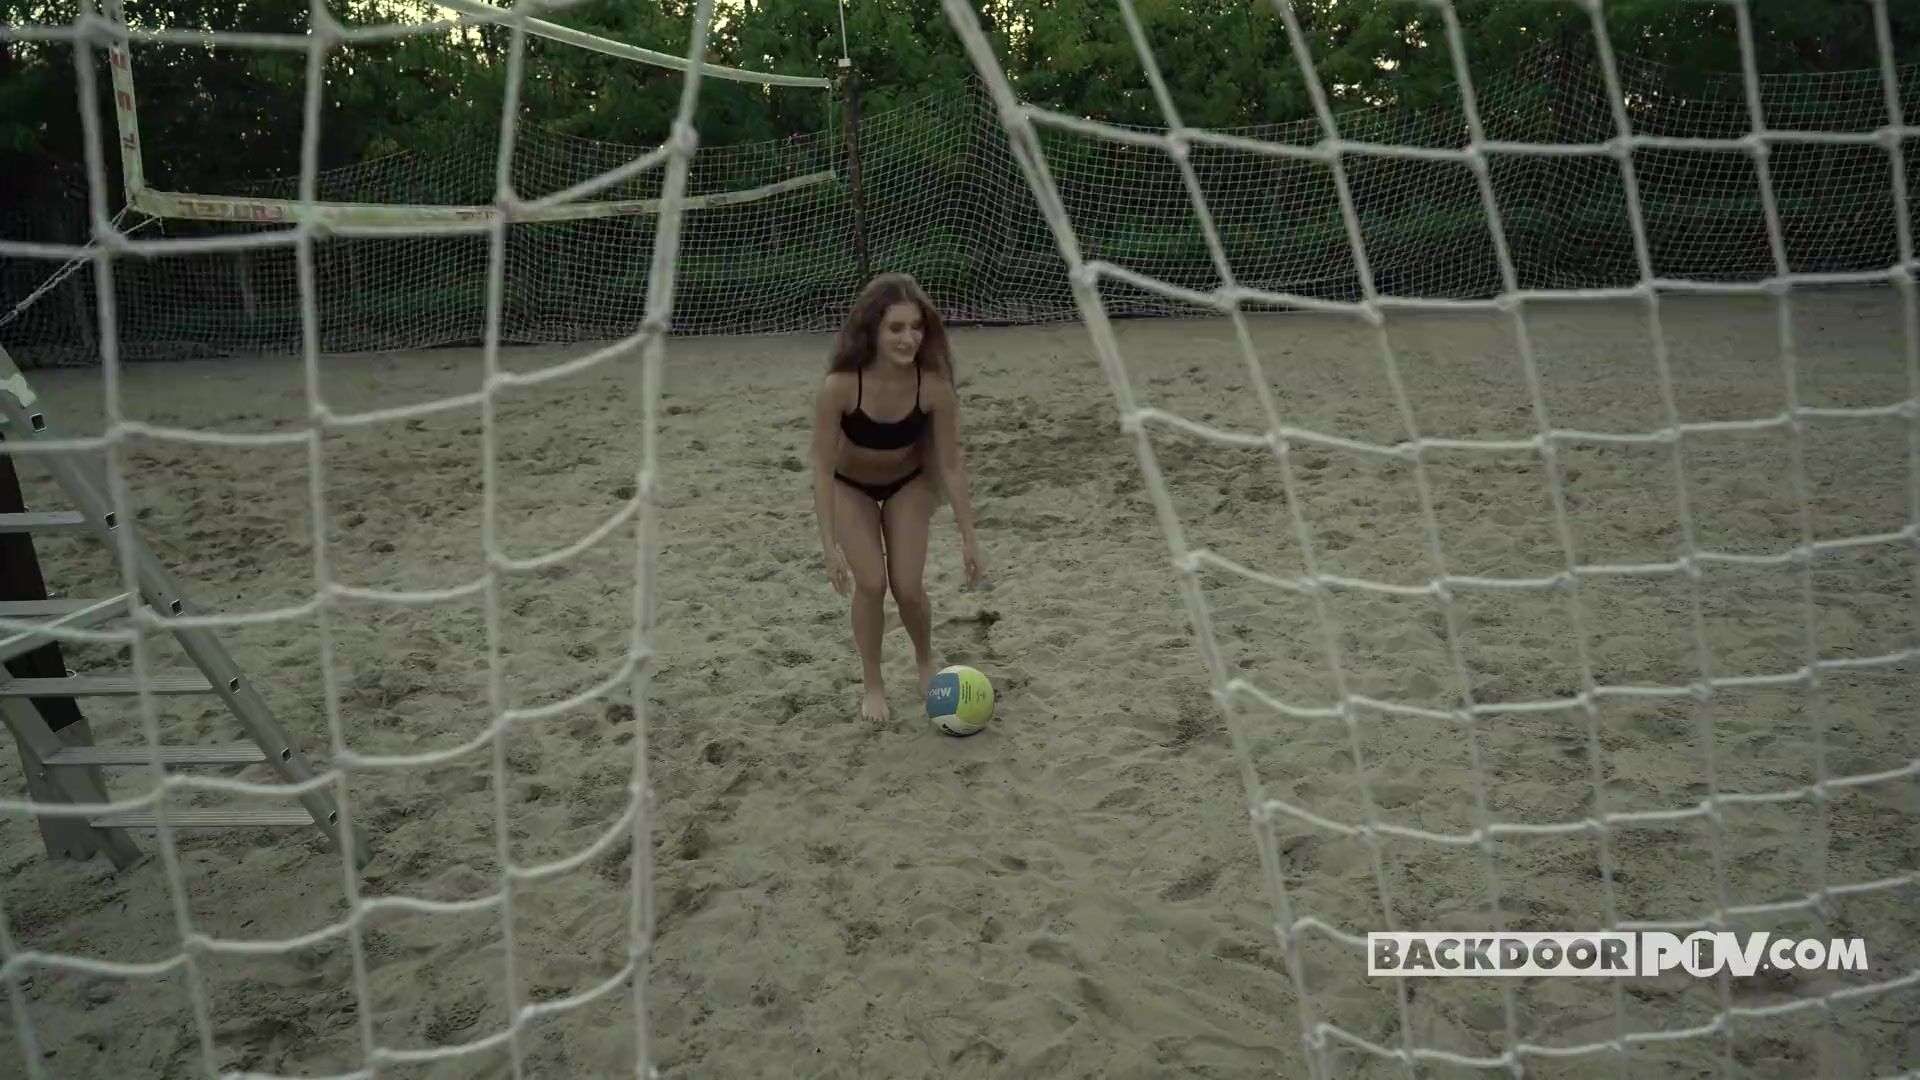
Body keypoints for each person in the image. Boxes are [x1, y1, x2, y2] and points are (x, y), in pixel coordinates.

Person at [810, 273, 985, 724]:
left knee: (907, 586)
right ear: (872, 329)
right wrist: (829, 546)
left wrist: (969, 537)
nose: (909, 338)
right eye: (896, 328)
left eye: (917, 327)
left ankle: (925, 660)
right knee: (870, 582)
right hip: (850, 486)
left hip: (909, 483)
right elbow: (822, 467)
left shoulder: (934, 387)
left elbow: (950, 465)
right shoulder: (840, 386)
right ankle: (873, 684)